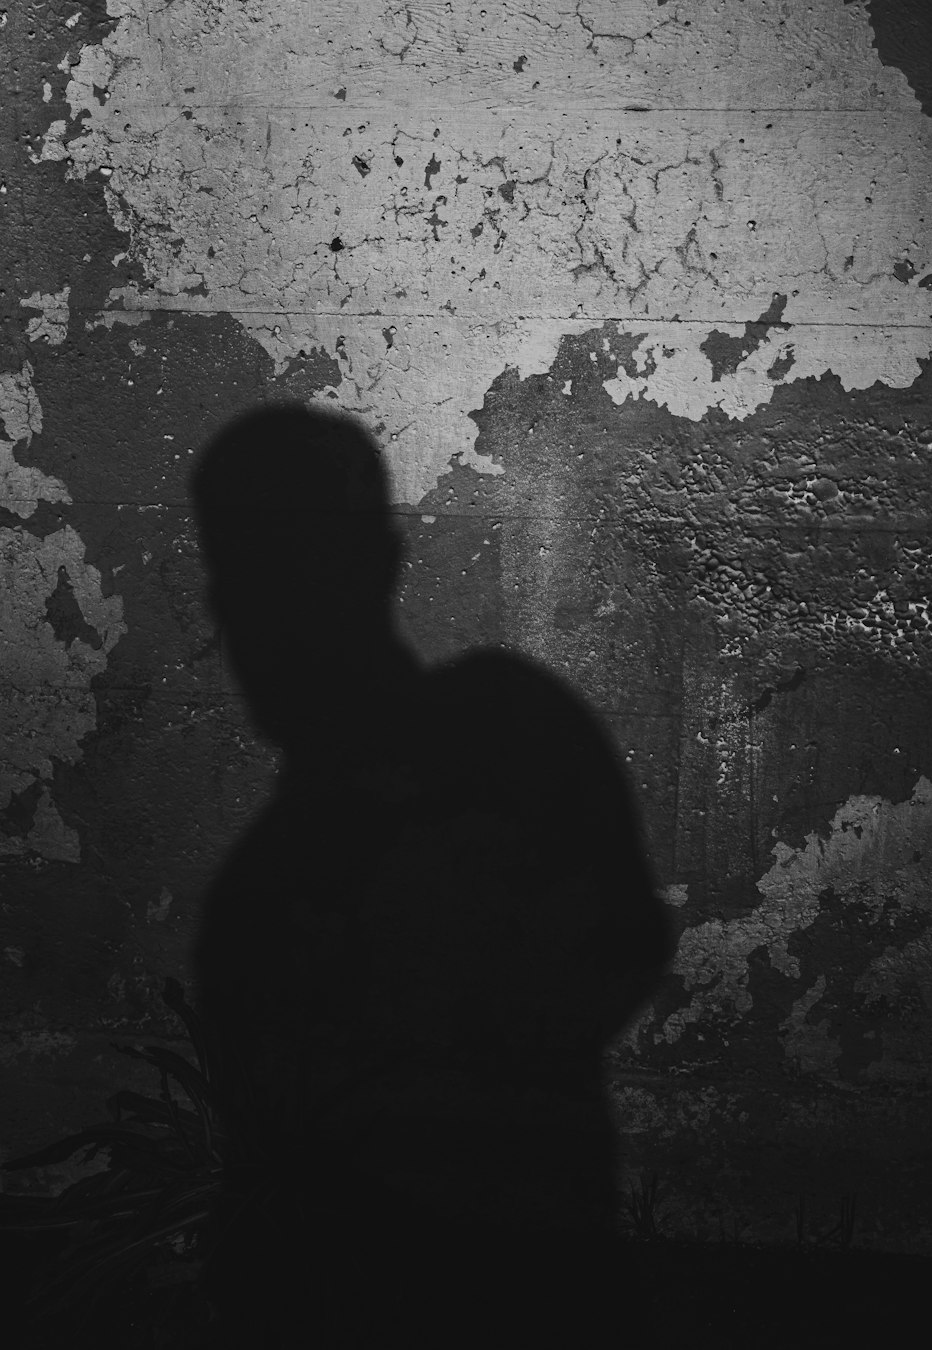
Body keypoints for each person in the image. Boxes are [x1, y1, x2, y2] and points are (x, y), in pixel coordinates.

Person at [189, 404, 672, 1346]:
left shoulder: (506, 735)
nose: (264, 613)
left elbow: (619, 943)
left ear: (377, 564)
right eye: (248, 575)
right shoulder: (262, 889)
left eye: (295, 565)